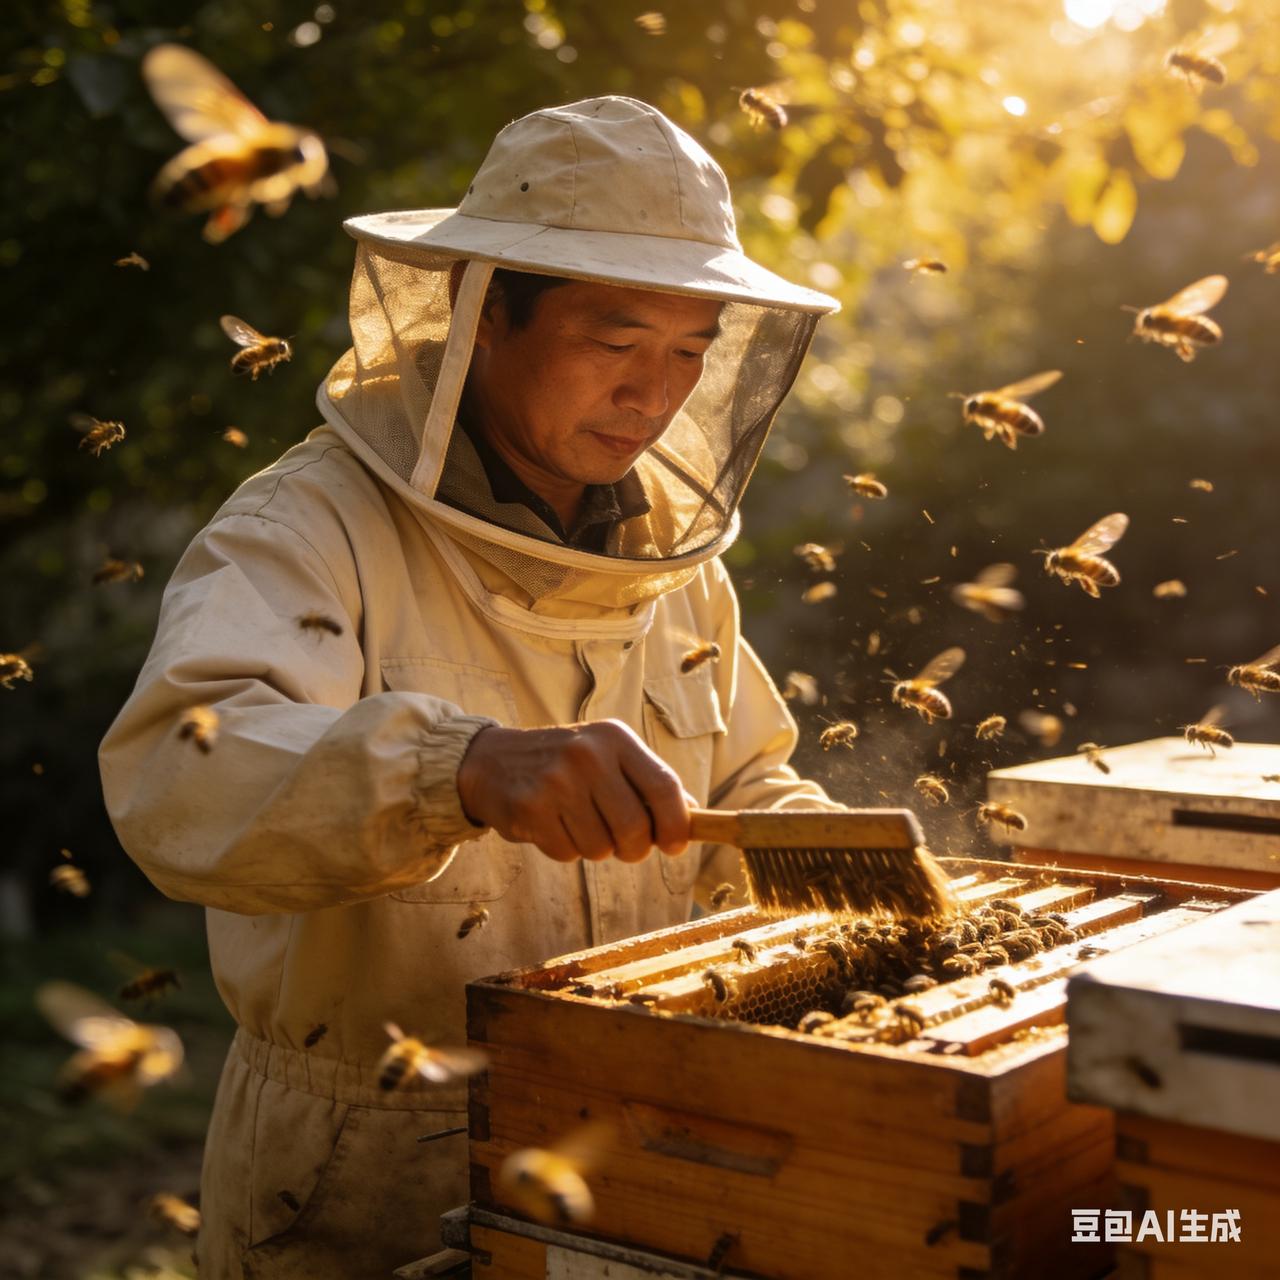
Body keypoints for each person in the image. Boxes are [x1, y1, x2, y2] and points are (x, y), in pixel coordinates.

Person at [99, 95, 846, 1278]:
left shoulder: (667, 559)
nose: (653, 396)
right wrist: (455, 768)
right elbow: (175, 776)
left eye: (690, 351)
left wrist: (839, 864)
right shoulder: (307, 527)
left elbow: (748, 780)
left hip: (624, 1148)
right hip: (361, 1171)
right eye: (615, 342)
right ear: (483, 309)